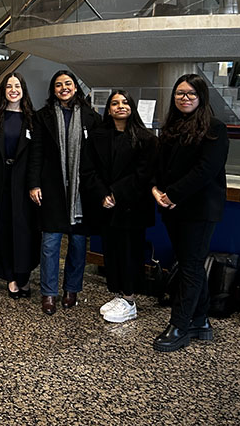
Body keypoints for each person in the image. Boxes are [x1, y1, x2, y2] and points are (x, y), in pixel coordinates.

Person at [152, 74, 229, 352]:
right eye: (179, 93)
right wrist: (156, 189)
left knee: (191, 266)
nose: (184, 98)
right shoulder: (171, 127)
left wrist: (173, 194)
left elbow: (205, 171)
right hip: (172, 209)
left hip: (198, 209)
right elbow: (159, 166)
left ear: (202, 97)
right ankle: (200, 319)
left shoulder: (215, 129)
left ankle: (180, 327)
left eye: (191, 94)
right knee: (189, 263)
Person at [27, 70, 101, 315]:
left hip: (81, 192)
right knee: (50, 244)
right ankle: (49, 293)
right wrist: (34, 184)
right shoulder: (42, 117)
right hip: (51, 188)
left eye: (67, 84)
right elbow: (36, 152)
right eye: (58, 85)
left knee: (79, 244)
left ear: (76, 87)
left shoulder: (92, 117)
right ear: (53, 90)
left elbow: (97, 158)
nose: (63, 88)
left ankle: (72, 289)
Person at [81, 90, 157, 323]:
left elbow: (144, 174)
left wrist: (116, 193)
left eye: (125, 102)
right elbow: (88, 170)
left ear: (132, 107)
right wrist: (103, 194)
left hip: (132, 207)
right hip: (106, 206)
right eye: (114, 103)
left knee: (129, 253)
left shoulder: (146, 138)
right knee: (111, 253)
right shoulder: (97, 136)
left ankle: (130, 299)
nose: (120, 106)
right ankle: (120, 295)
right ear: (108, 109)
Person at [0, 72, 39, 299]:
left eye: (17, 86)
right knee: (2, 228)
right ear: (3, 91)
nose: (13, 90)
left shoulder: (32, 118)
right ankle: (11, 278)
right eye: (8, 86)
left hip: (24, 182)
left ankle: (23, 275)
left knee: (24, 230)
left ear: (23, 89)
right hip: (0, 180)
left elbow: (36, 154)